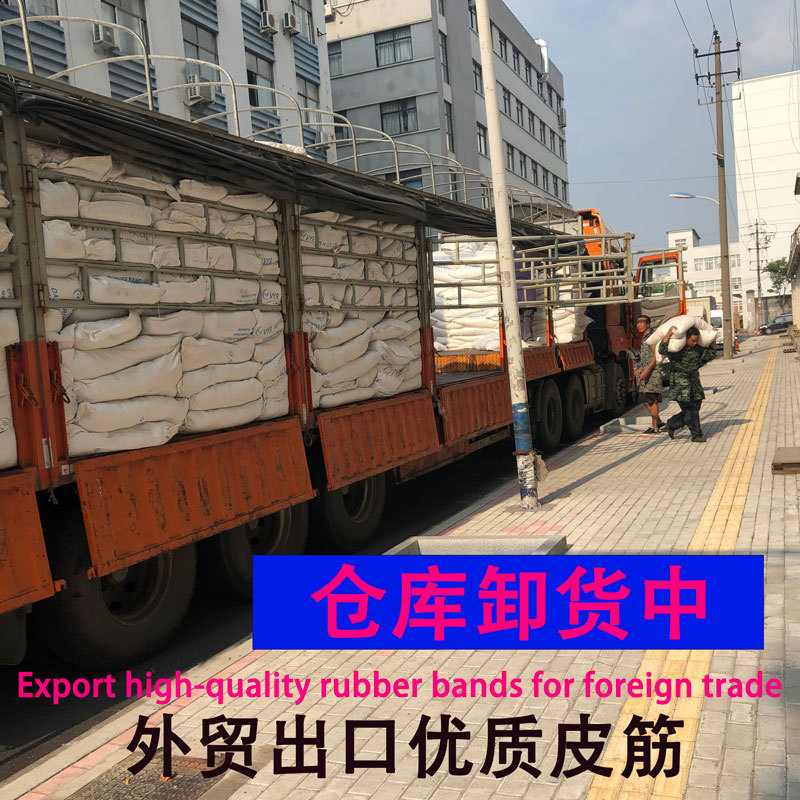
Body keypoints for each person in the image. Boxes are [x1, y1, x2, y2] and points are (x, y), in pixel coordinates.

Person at [659, 325, 716, 442]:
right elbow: (662, 350)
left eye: (696, 341)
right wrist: (668, 334)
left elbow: (708, 356)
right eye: (692, 341)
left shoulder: (697, 349)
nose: (694, 343)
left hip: (694, 384)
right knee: (691, 410)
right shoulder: (676, 349)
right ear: (686, 338)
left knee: (695, 408)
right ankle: (696, 435)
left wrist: (713, 338)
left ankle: (672, 424)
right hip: (680, 385)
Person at [633, 315, 665, 434]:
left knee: (652, 400)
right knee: (644, 400)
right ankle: (659, 421)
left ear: (648, 324)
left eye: (642, 323)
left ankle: (654, 426)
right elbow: (646, 356)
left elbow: (656, 356)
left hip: (653, 373)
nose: (639, 325)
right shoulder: (644, 337)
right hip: (646, 372)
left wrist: (647, 370)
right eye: (638, 323)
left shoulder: (652, 337)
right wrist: (641, 368)